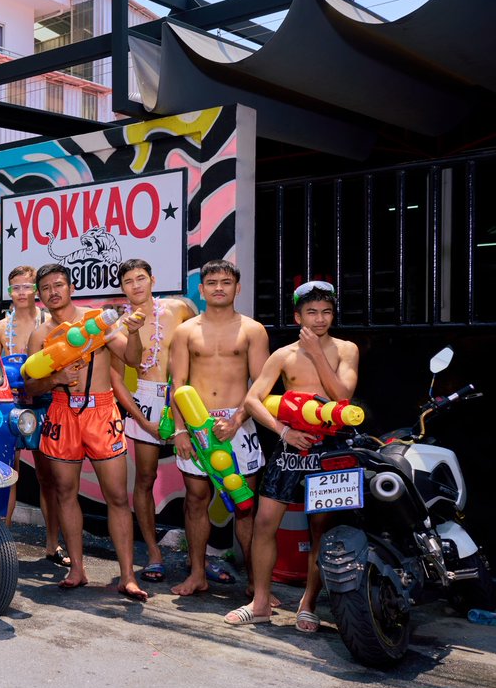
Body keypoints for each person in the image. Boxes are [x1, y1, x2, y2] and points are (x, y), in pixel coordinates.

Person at [227, 281, 359, 630]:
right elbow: (253, 400)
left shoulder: (347, 349)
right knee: (264, 522)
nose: (320, 319)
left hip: (331, 448)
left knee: (322, 530)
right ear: (298, 315)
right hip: (290, 447)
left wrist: (316, 353)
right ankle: (259, 602)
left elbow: (342, 397)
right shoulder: (283, 355)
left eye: (326, 312)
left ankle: (308, 604)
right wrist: (284, 431)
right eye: (312, 312)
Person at [22, 263, 148, 599]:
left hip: (101, 411)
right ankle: (77, 569)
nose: (53, 292)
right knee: (65, 492)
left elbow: (133, 359)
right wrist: (56, 380)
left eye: (59, 284)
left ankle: (127, 576)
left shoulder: (97, 321)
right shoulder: (40, 335)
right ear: (40, 294)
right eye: (46, 287)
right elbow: (30, 387)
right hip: (62, 413)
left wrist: (133, 332)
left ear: (71, 287)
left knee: (118, 496)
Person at [169, 260, 270, 598]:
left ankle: (257, 584)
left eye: (226, 282)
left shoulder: (253, 330)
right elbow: (178, 383)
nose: (218, 288)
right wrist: (180, 431)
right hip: (197, 423)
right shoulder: (186, 331)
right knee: (196, 500)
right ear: (202, 289)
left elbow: (261, 385)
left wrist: (238, 420)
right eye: (211, 282)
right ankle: (198, 573)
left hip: (238, 424)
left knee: (245, 505)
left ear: (237, 288)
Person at [109, 259, 195, 583]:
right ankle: (154, 553)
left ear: (153, 278)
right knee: (144, 479)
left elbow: (200, 340)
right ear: (122, 287)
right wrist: (142, 421)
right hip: (146, 396)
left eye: (141, 278)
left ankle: (198, 557)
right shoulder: (119, 327)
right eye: (129, 280)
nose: (136, 285)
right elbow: (117, 380)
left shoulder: (177, 309)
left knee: (197, 481)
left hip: (183, 396)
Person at [0, 265, 65, 561]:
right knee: (8, 474)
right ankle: (2, 545)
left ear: (36, 290)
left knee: (49, 477)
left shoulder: (51, 323)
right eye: (16, 288)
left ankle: (52, 544)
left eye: (27, 286)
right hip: (12, 406)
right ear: (10, 292)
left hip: (46, 402)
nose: (22, 293)